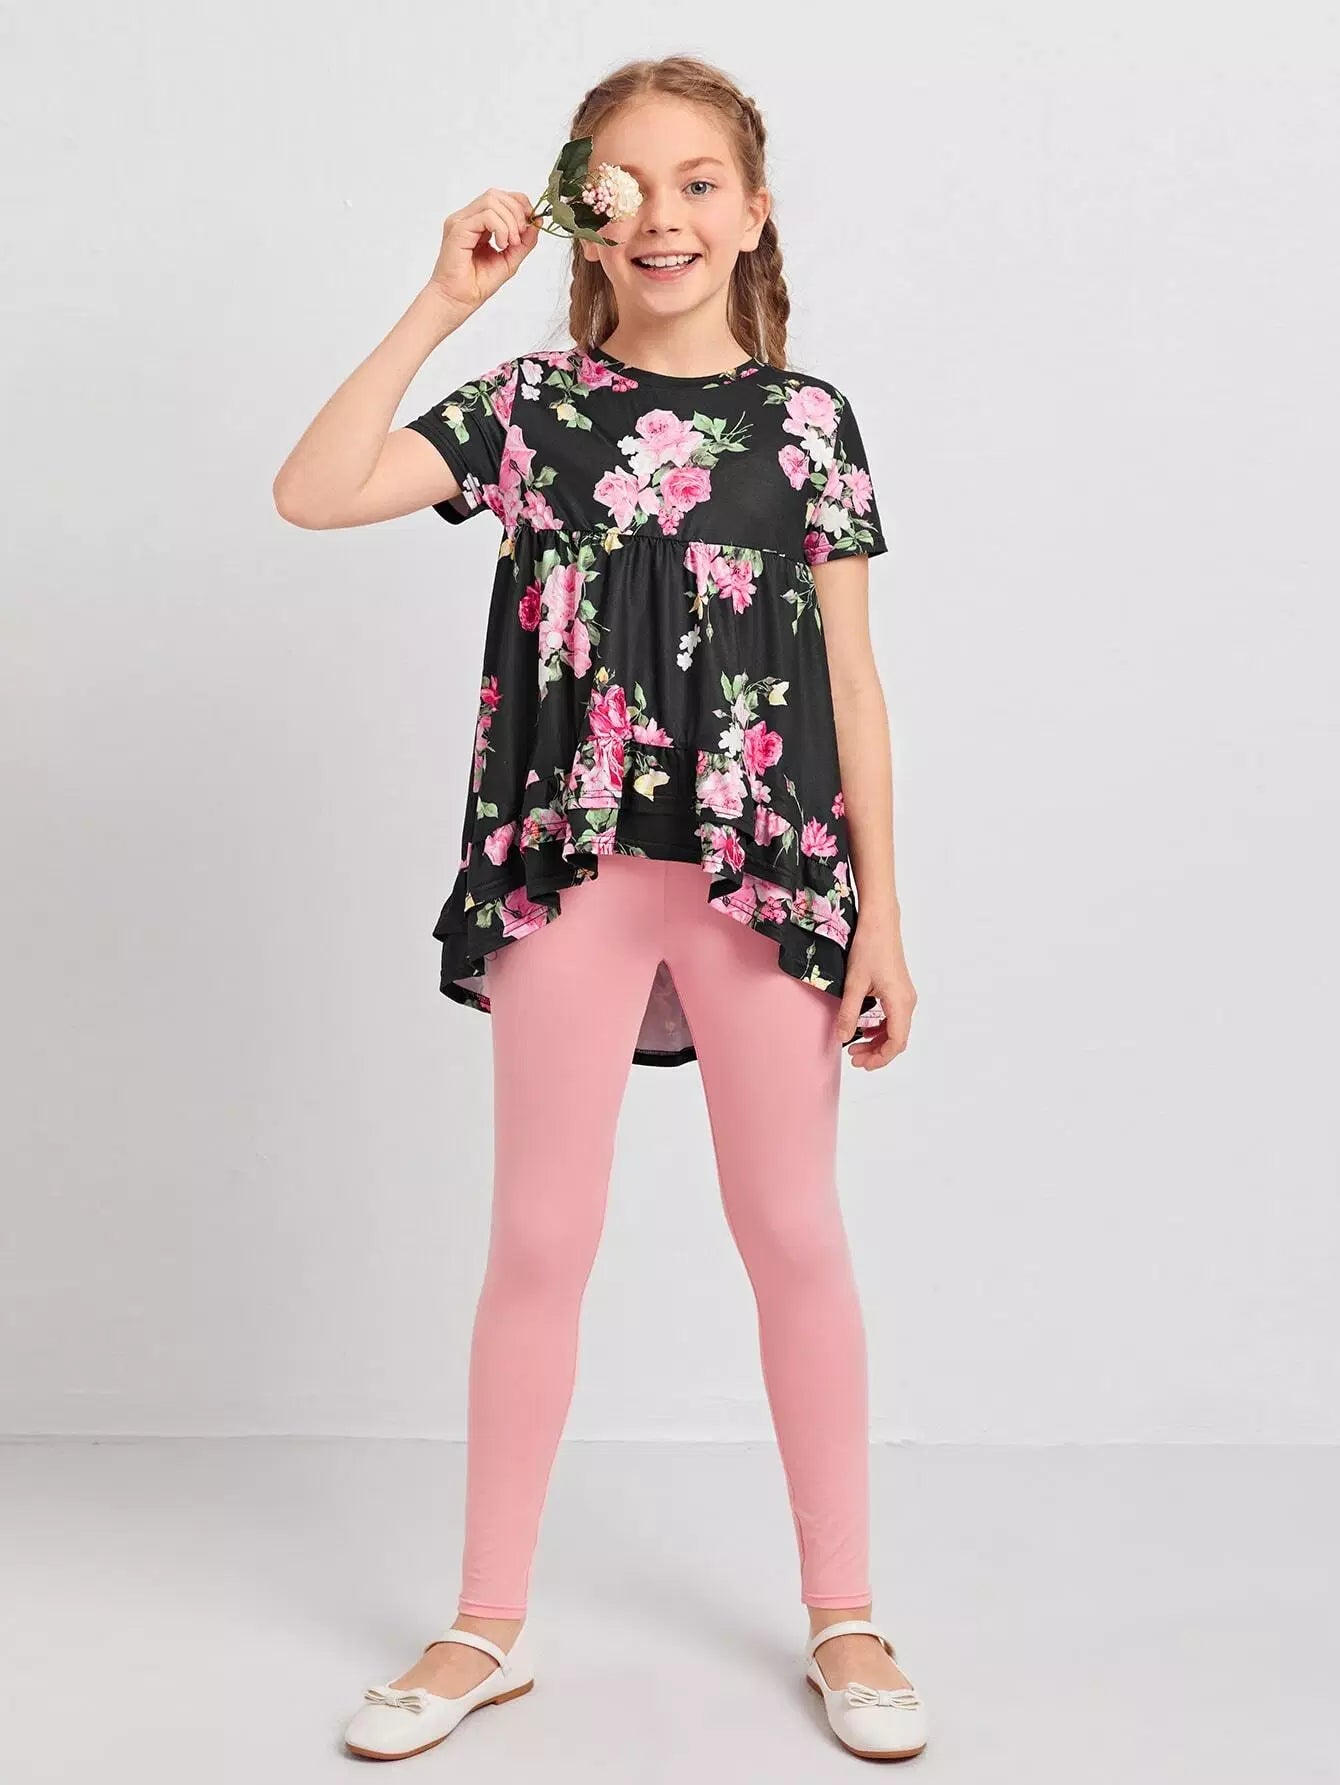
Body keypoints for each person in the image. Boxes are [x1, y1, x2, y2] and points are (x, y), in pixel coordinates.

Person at [273, 53, 926, 1765]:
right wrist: (444, 298)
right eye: (627, 184)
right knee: (541, 1238)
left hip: (768, 876)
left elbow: (853, 685)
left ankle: (845, 1610)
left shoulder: (808, 426)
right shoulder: (530, 410)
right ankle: (484, 1622)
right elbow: (312, 490)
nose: (666, 216)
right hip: (565, 871)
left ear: (754, 213)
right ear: (582, 209)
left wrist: (882, 914)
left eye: (701, 182)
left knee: (793, 1230)